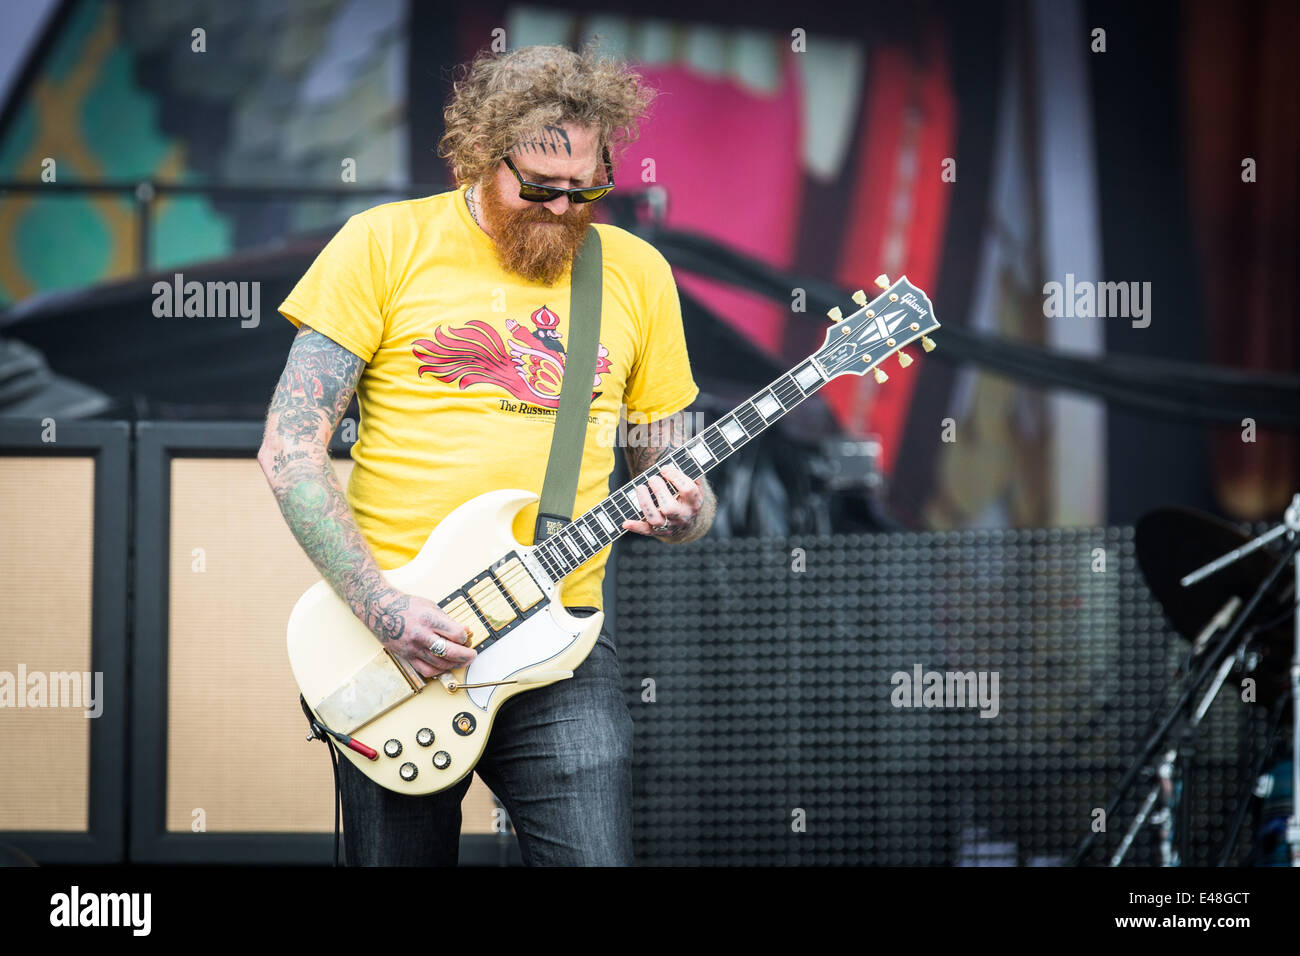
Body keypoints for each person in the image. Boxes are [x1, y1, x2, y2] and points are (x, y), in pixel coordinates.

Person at [257, 42, 716, 866]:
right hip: (397, 639)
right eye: (537, 187)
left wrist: (686, 510)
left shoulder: (637, 275)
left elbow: (670, 471)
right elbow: (290, 448)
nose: (562, 207)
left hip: (561, 638)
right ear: (478, 154)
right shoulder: (382, 244)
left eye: (584, 190)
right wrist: (383, 610)